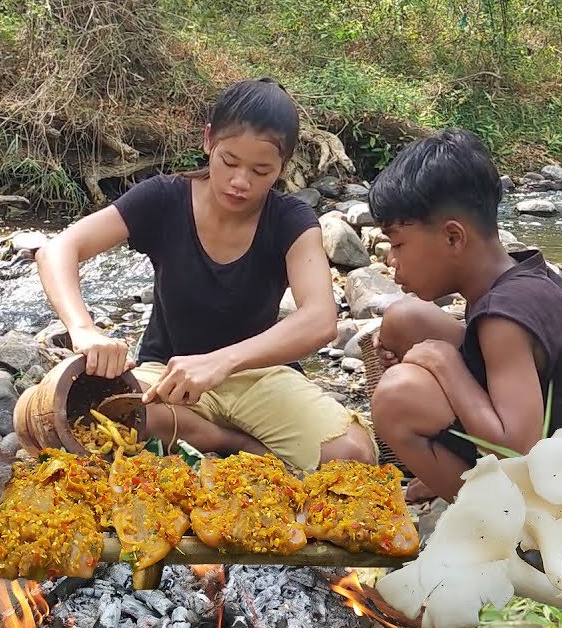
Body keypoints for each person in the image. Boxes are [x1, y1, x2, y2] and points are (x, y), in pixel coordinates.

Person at [34, 78, 376, 473]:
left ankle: (220, 442)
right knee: (99, 420)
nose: (240, 181)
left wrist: (221, 363)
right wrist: (83, 329)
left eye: (261, 170)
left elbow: (320, 320)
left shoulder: (290, 220)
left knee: (353, 456)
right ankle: (229, 442)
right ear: (208, 140)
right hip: (166, 377)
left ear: (284, 164)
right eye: (229, 161)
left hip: (258, 376)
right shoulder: (164, 199)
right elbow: (57, 250)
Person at [366, 128, 562, 502]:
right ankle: (448, 468)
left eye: (398, 243)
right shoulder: (518, 276)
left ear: (453, 238)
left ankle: (495, 524)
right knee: (405, 320)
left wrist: (445, 364)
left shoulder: (504, 317)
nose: (391, 259)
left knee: (396, 399)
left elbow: (519, 449)